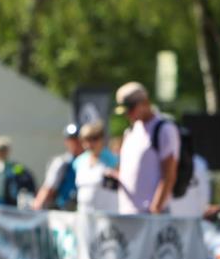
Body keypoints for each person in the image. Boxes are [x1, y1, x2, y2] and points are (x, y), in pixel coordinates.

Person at [112, 82, 180, 214]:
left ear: (145, 102)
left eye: (131, 108)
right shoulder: (130, 131)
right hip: (127, 212)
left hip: (150, 215)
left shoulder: (164, 129)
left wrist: (155, 209)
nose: (128, 114)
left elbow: (169, 174)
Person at [32, 123, 82, 210]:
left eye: (77, 139)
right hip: (64, 211)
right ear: (66, 142)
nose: (75, 142)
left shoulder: (90, 161)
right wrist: (38, 205)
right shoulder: (62, 162)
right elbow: (48, 187)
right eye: (71, 139)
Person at [72, 120, 119, 213]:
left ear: (101, 139)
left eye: (94, 139)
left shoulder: (113, 159)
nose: (90, 144)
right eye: (86, 140)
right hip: (84, 214)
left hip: (107, 214)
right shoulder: (79, 161)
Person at [0, 136, 37, 208]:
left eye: (4, 149)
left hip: (11, 202)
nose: (2, 152)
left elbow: (28, 180)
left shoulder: (16, 167)